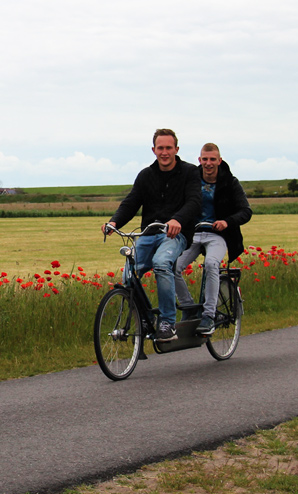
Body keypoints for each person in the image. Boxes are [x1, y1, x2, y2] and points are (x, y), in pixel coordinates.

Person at [103, 129, 200, 341]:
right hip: (148, 233)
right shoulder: (146, 175)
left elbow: (194, 201)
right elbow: (131, 202)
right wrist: (114, 222)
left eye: (168, 148)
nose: (164, 152)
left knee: (162, 262)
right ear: (153, 150)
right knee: (128, 274)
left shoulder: (190, 172)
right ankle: (147, 319)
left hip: (175, 235)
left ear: (176, 149)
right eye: (160, 148)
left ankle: (167, 322)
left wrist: (178, 220)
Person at [172, 143, 252, 334]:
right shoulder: (191, 180)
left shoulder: (230, 182)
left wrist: (227, 221)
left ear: (219, 160)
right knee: (172, 266)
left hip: (218, 235)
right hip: (193, 234)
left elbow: (246, 211)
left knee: (211, 265)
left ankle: (209, 315)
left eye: (212, 159)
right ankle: (190, 309)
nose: (208, 163)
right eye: (205, 159)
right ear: (199, 160)